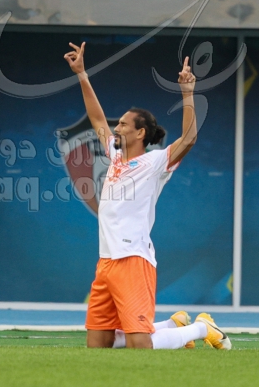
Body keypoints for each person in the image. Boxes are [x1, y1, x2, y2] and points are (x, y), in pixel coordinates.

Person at [64, 41, 231, 350]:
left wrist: (188, 93)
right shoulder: (114, 156)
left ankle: (200, 328)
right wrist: (82, 74)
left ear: (140, 133)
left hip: (133, 260)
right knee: (97, 346)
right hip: (106, 262)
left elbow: (189, 139)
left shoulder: (156, 162)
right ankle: (170, 325)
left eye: (123, 124)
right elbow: (97, 119)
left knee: (140, 344)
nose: (116, 128)